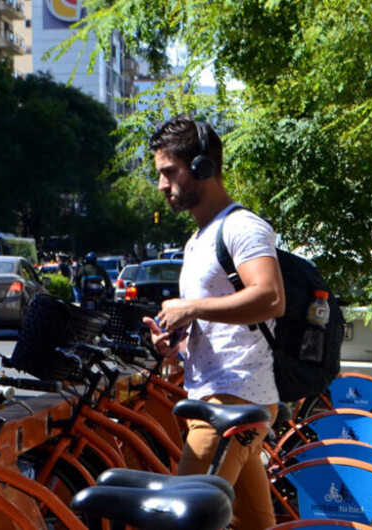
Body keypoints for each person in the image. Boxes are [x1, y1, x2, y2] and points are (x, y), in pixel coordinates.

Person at [144, 115, 285, 530]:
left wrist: (192, 308)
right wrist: (177, 346)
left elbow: (271, 297)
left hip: (233, 402)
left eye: (170, 172)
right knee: (253, 525)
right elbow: (222, 325)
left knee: (179, 520)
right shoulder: (198, 239)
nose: (161, 184)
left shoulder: (241, 227)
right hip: (219, 398)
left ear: (202, 168)